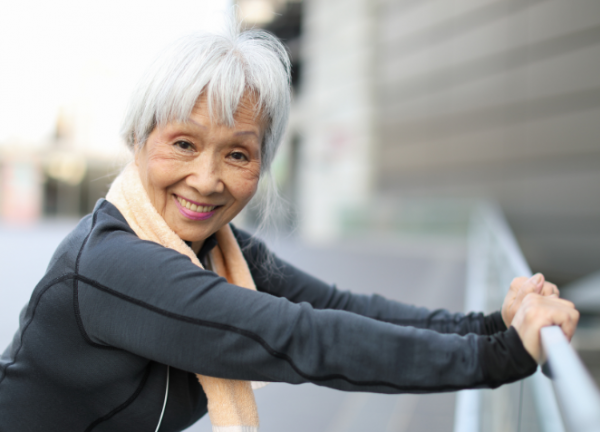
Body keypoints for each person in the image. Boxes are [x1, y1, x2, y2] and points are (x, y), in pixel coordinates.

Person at [0, 26, 579, 432]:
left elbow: (342, 307)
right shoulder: (113, 266)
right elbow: (301, 338)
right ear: (137, 140)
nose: (205, 179)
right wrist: (501, 357)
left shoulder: (214, 252)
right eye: (183, 144)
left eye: (237, 155)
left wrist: (488, 326)